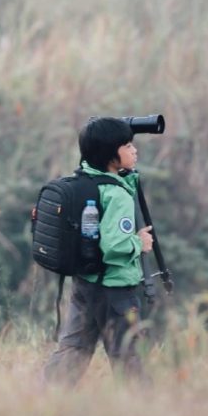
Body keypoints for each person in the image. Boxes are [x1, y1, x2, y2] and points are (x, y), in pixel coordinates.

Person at [42, 117, 153, 386]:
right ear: (110, 155)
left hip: (85, 283)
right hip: (115, 290)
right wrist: (140, 243)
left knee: (74, 348)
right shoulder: (116, 195)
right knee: (129, 357)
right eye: (127, 146)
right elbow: (113, 246)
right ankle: (144, 412)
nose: (134, 151)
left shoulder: (84, 182)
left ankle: (46, 397)